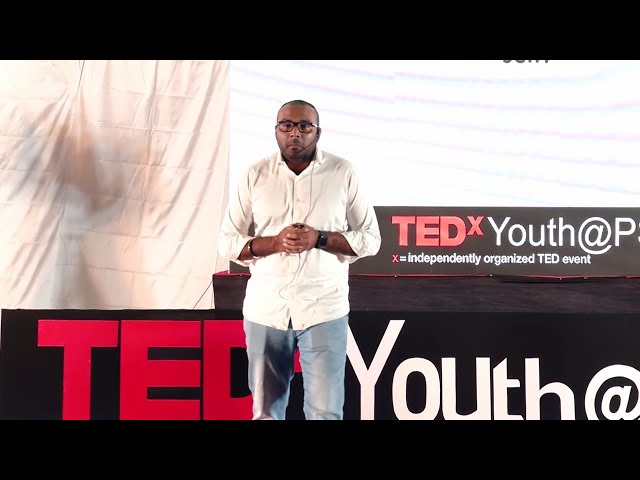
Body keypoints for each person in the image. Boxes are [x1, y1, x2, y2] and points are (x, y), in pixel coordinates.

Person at [218, 99, 381, 420]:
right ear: (276, 131)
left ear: (318, 132)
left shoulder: (343, 172)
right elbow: (226, 241)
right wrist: (274, 242)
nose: (295, 133)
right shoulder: (254, 175)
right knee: (266, 413)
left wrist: (319, 238)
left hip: (324, 308)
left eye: (305, 126)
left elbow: (371, 239)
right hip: (267, 310)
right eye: (287, 125)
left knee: (325, 413)